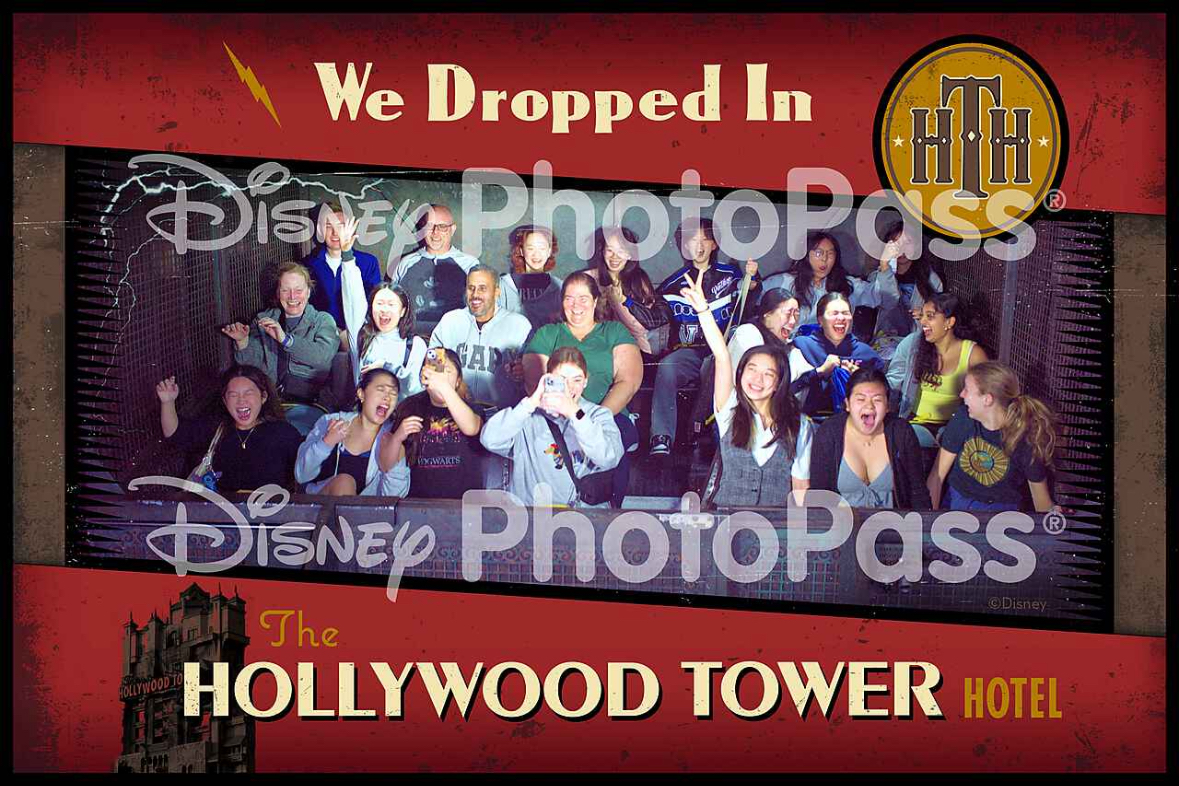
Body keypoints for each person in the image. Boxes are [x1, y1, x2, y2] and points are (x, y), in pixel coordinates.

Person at [679, 268, 813, 507]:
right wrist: (702, 309)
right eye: (751, 369)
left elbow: (800, 488)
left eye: (767, 373)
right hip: (726, 528)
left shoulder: (800, 425)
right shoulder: (729, 410)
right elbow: (721, 355)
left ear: (779, 382)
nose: (757, 379)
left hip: (775, 530)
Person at [523, 272, 642, 506]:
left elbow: (629, 382)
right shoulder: (549, 333)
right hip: (555, 417)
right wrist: (565, 414)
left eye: (583, 298)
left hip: (607, 414)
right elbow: (534, 379)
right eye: (569, 298)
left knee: (612, 444)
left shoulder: (613, 332)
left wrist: (592, 418)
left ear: (595, 301)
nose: (576, 305)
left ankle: (610, 511)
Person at [649, 218, 760, 456]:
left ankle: (708, 436)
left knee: (714, 368)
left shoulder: (730, 275)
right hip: (689, 351)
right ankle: (661, 437)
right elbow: (652, 317)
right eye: (692, 240)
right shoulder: (672, 283)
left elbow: (749, 297)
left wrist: (752, 280)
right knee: (668, 366)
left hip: (722, 352)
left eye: (704, 239)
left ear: (714, 244)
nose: (698, 246)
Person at [481, 347, 623, 507]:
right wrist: (531, 402)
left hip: (577, 516)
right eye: (561, 380)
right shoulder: (527, 415)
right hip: (531, 514)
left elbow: (609, 457)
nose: (569, 387)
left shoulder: (598, 415)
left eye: (577, 380)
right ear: (548, 380)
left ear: (585, 382)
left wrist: (575, 413)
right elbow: (489, 440)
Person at [222, 261, 341, 435]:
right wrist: (243, 342)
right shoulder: (264, 319)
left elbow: (322, 357)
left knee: (287, 435)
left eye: (298, 290)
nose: (292, 297)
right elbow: (252, 370)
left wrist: (286, 340)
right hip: (269, 404)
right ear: (278, 293)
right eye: (286, 290)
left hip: (308, 405)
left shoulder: (322, 320)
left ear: (308, 292)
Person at [928, 361, 1061, 513]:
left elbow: (1042, 503)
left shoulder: (1024, 439)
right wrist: (929, 521)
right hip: (957, 499)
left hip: (1000, 511)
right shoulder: (964, 418)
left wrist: (1053, 515)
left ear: (987, 399)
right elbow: (937, 476)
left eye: (967, 389)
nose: (961, 394)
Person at [156, 364, 301, 493]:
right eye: (233, 395)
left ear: (263, 397)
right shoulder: (217, 428)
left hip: (270, 515)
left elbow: (305, 470)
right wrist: (167, 402)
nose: (241, 400)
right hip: (224, 516)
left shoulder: (283, 433)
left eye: (248, 393)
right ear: (225, 401)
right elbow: (176, 434)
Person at [809, 367, 932, 509]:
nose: (869, 406)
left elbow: (918, 491)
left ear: (887, 406)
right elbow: (818, 495)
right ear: (847, 404)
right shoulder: (829, 432)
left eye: (877, 399)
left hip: (893, 526)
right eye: (860, 399)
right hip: (843, 527)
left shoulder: (901, 432)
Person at [377, 347, 487, 500]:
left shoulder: (471, 409)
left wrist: (443, 386)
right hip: (419, 506)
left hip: (463, 506)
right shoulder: (409, 407)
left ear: (458, 381)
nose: (440, 377)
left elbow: (472, 428)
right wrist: (397, 437)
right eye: (435, 371)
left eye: (447, 371)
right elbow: (386, 466)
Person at [887, 293, 989, 442]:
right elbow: (894, 381)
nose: (922, 321)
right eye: (922, 316)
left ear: (949, 322)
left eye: (930, 316)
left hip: (953, 428)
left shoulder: (973, 354)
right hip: (915, 423)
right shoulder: (913, 345)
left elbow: (986, 396)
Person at [429, 265, 533, 410]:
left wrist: (522, 373)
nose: (475, 294)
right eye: (471, 288)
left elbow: (533, 373)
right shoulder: (450, 321)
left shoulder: (519, 325)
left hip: (501, 414)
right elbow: (432, 362)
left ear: (497, 291)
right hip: (456, 410)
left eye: (482, 288)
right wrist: (454, 383)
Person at [295, 368, 410, 496]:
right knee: (343, 483)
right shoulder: (331, 422)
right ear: (361, 394)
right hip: (320, 510)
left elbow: (394, 499)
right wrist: (326, 443)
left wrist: (392, 465)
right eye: (381, 390)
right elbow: (301, 475)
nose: (387, 397)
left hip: (367, 514)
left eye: (393, 394)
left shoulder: (394, 437)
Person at [761, 231, 900, 330]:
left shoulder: (847, 285)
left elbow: (887, 299)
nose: (825, 259)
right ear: (805, 255)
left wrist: (885, 266)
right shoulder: (783, 282)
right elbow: (752, 297)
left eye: (830, 253)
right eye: (818, 253)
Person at [388, 203, 480, 333]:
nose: (435, 232)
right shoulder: (406, 263)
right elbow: (393, 304)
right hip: (412, 339)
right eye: (430, 226)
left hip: (455, 340)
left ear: (453, 229)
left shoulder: (469, 264)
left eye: (442, 227)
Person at [582, 226, 672, 356]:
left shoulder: (639, 280)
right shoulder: (587, 279)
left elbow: (642, 328)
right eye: (610, 250)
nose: (615, 257)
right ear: (602, 252)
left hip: (634, 350)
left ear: (630, 254)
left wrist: (620, 301)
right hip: (595, 349)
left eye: (621, 251)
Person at [793, 291, 885, 415]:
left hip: (855, 423)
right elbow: (788, 390)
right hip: (809, 420)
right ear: (820, 320)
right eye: (834, 313)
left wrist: (861, 378)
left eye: (845, 313)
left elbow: (883, 396)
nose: (841, 318)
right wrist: (820, 372)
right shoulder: (802, 346)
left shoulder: (867, 354)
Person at [865, 220, 943, 360]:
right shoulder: (877, 277)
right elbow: (888, 301)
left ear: (917, 246)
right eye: (896, 243)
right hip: (887, 342)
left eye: (907, 243)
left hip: (920, 342)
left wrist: (926, 315)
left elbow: (941, 315)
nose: (901, 249)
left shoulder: (931, 279)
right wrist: (884, 266)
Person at [339, 277, 426, 403]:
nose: (384, 310)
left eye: (391, 304)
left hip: (399, 415)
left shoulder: (414, 344)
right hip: (365, 413)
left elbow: (414, 388)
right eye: (379, 303)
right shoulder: (363, 337)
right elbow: (352, 297)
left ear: (402, 311)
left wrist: (386, 367)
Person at [496, 224, 564, 329]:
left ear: (549, 251)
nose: (536, 254)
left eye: (542, 248)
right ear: (522, 251)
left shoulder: (560, 287)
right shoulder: (502, 286)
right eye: (531, 248)